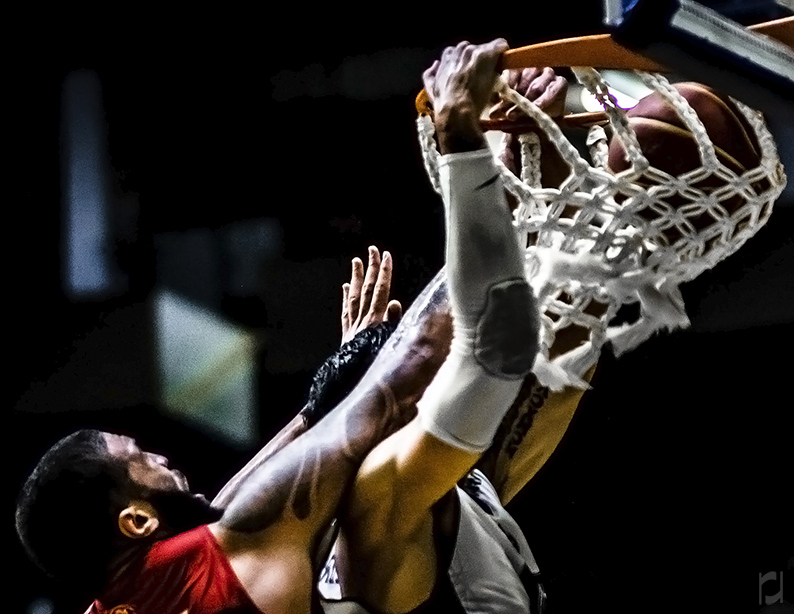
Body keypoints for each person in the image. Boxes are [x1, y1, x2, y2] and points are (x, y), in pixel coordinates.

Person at [15, 37, 552, 613]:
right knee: (381, 479)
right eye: (140, 458)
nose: (162, 458)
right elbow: (418, 355)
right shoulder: (216, 567)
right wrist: (478, 158)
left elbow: (232, 505)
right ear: (136, 519)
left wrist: (333, 388)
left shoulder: (123, 599)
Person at [315, 40, 593, 614]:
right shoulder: (377, 506)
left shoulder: (422, 491)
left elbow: (550, 369)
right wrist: (476, 161)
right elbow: (479, 353)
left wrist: (533, 196)